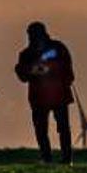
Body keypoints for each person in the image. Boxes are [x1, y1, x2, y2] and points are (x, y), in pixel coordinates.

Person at [14, 20, 75, 165]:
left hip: (57, 95)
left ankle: (65, 159)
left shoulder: (57, 49)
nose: (31, 37)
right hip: (41, 98)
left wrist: (38, 70)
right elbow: (23, 75)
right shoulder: (28, 54)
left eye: (33, 34)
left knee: (61, 128)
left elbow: (66, 71)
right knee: (42, 130)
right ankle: (48, 158)